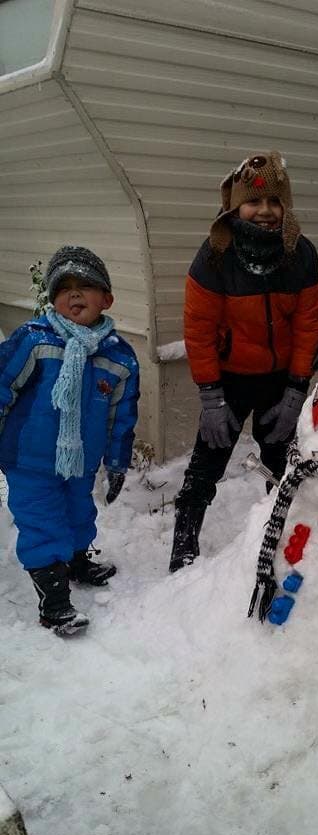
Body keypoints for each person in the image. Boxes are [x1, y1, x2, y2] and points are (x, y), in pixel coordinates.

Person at [169, 150, 318, 572]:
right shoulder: (216, 255)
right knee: (206, 465)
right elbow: (199, 329)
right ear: (236, 205)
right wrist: (211, 397)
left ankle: (285, 534)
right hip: (229, 381)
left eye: (275, 201)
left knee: (283, 465)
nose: (266, 211)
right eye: (255, 201)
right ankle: (184, 540)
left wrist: (296, 392)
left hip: (279, 380)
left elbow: (309, 326)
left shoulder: (300, 254)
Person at [0, 245, 140, 634]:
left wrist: (116, 463)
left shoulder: (121, 357)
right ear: (52, 298)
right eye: (65, 287)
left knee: (79, 514)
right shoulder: (34, 340)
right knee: (43, 523)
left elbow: (121, 417)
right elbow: (2, 386)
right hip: (29, 459)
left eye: (86, 285)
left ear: (107, 299)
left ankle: (77, 561)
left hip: (81, 461)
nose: (75, 294)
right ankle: (55, 603)